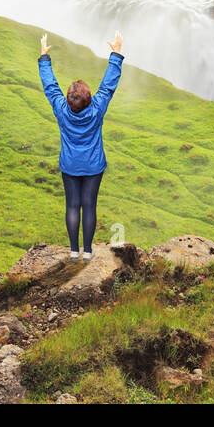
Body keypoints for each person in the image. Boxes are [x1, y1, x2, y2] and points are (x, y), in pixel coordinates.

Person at [37, 31, 123, 259]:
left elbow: (50, 86)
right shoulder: (97, 107)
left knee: (72, 206)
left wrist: (44, 58)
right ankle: (88, 252)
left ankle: (74, 251)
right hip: (94, 166)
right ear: (89, 99)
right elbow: (108, 86)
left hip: (70, 165)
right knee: (89, 206)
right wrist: (115, 53)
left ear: (69, 100)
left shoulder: (60, 107)